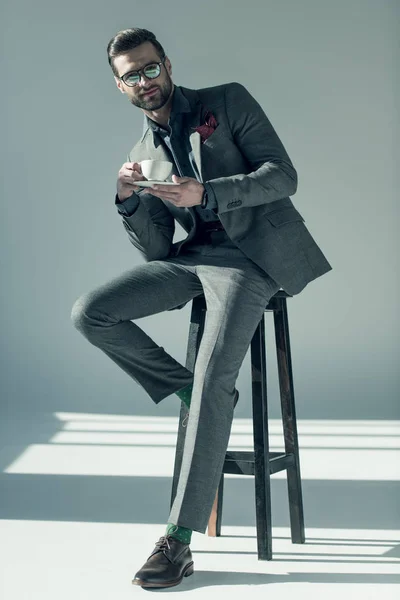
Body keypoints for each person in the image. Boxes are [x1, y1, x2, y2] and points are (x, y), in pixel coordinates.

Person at [71, 27, 332, 589]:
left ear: (166, 64)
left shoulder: (226, 101)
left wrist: (207, 194)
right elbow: (158, 250)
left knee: (218, 373)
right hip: (192, 260)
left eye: (149, 67)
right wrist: (127, 202)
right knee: (90, 311)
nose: (144, 81)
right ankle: (193, 390)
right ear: (120, 88)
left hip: (252, 259)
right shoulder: (140, 155)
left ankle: (177, 542)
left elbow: (283, 176)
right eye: (130, 76)